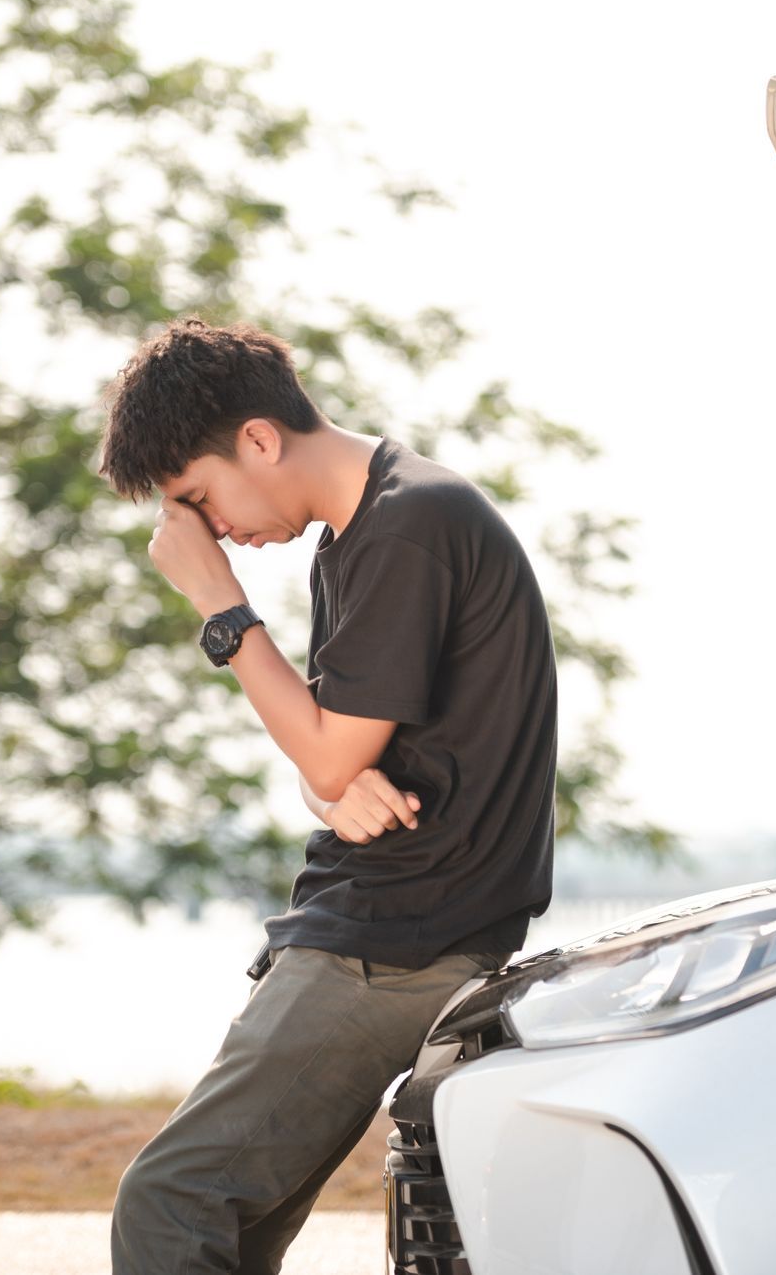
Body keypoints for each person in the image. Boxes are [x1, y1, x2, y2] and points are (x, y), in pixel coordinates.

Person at [94, 316, 558, 1274]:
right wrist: (332, 786)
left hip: (397, 938)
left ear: (258, 440)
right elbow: (340, 761)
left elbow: (330, 754)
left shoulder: (407, 527)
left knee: (170, 1203)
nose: (205, 529)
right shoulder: (362, 535)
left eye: (197, 498)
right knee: (232, 1228)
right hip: (388, 927)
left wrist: (220, 605)